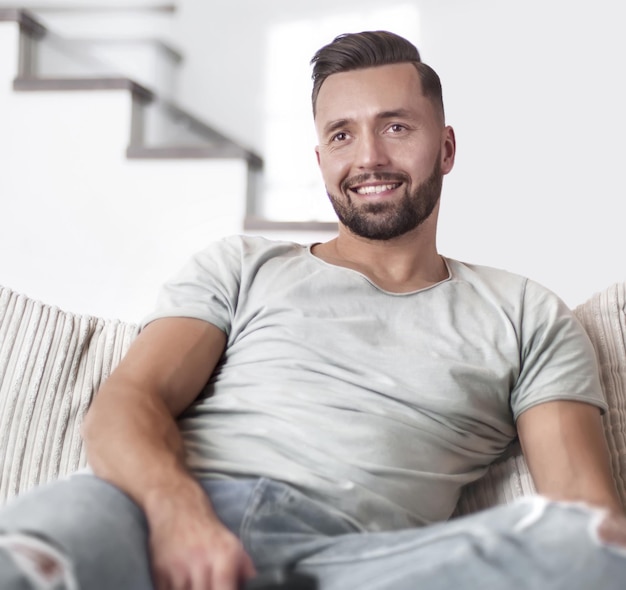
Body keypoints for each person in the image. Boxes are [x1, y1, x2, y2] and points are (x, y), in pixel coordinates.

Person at [1, 30, 625, 590]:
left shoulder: (525, 314)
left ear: (447, 147)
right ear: (321, 159)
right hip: (155, 517)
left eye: (397, 126)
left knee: (587, 548)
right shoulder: (243, 267)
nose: (369, 158)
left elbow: (587, 516)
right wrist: (178, 515)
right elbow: (127, 403)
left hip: (354, 560)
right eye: (342, 134)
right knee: (40, 552)